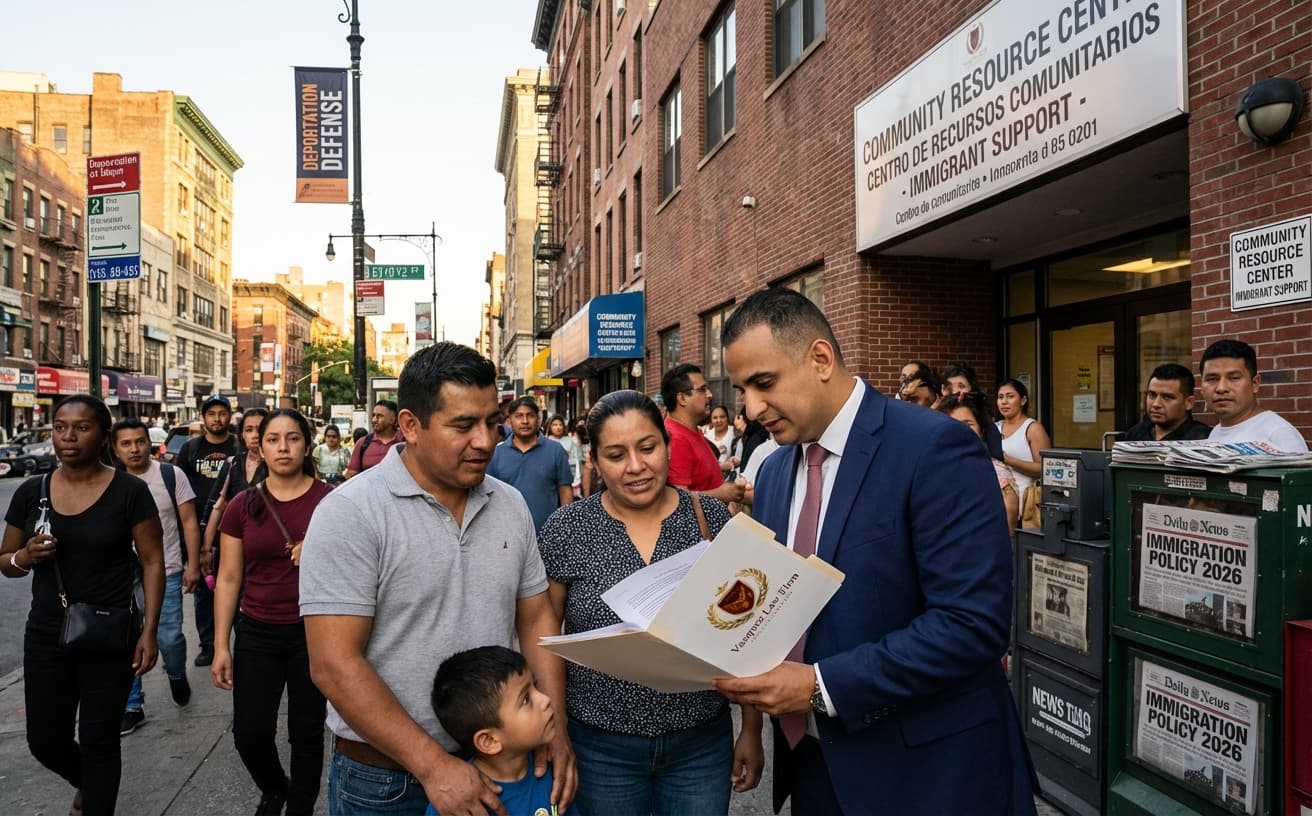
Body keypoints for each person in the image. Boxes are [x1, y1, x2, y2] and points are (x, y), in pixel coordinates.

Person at [714, 288, 1035, 815]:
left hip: (926, 772)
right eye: (741, 388)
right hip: (814, 765)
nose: (750, 408)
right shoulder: (771, 473)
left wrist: (819, 686)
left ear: (820, 358)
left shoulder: (932, 447)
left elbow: (972, 624)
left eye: (763, 383)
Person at [299, 341, 574, 816]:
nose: (487, 440)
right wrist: (432, 767)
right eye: (464, 425)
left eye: (492, 421)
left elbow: (535, 620)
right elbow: (333, 664)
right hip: (384, 782)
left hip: (506, 770)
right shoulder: (351, 513)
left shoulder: (509, 505)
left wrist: (556, 730)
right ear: (410, 426)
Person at [537, 390, 763, 814]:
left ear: (667, 444)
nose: (636, 467)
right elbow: (542, 633)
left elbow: (742, 627)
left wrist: (751, 727)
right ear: (595, 460)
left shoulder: (708, 518)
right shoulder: (566, 528)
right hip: (600, 746)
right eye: (616, 454)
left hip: (700, 741)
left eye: (647, 447)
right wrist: (557, 732)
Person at [1, 395, 165, 816]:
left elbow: (151, 560)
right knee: (46, 741)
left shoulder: (129, 491)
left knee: (99, 741)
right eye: (59, 427)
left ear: (104, 436)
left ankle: (95, 802)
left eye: (82, 427)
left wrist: (149, 631)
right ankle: (88, 784)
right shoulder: (31, 492)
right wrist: (26, 557)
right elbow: (6, 562)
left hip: (109, 631)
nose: (68, 437)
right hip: (47, 633)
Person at [212, 409, 332, 816]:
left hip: (313, 633)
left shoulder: (332, 501)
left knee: (306, 732)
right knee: (250, 733)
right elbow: (228, 577)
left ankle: (299, 807)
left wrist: (318, 550)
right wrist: (220, 645)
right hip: (257, 632)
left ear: (307, 444)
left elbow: (360, 568)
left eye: (293, 438)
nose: (284, 447)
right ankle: (275, 787)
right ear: (258, 446)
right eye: (274, 439)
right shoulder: (241, 506)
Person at [111, 418, 203, 737]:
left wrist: (194, 563)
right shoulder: (108, 481)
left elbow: (189, 520)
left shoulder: (169, 474)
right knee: (127, 638)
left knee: (168, 637)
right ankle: (132, 705)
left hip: (167, 570)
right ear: (115, 448)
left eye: (139, 441)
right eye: (126, 443)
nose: (134, 449)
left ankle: (176, 673)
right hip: (120, 577)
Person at [428, 646, 563, 816]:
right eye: (526, 699)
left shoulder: (554, 773)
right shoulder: (458, 801)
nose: (545, 699)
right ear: (489, 741)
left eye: (535, 686)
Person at [177, 394, 238, 667]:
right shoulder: (190, 450)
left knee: (237, 586)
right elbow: (176, 489)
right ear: (203, 418)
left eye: (222, 413)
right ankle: (208, 644)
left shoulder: (239, 447)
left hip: (235, 530)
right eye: (211, 413)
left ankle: (239, 642)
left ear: (229, 416)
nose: (217, 418)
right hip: (199, 531)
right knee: (204, 590)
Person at [660, 364, 746, 505]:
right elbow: (678, 501)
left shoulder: (692, 430)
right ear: (682, 399)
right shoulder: (675, 438)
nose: (710, 395)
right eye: (702, 390)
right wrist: (723, 493)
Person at [1201, 338, 1308, 452]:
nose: (1221, 388)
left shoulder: (1278, 434)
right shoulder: (1217, 431)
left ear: (1255, 383)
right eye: (1212, 379)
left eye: (1234, 378)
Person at [200, 409, 270, 578]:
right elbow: (218, 505)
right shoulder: (233, 464)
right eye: (249, 430)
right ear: (242, 435)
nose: (255, 435)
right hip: (233, 547)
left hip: (266, 549)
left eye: (260, 429)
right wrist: (206, 548)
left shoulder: (277, 465)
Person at [488, 397, 574, 533]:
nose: (525, 421)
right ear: (510, 421)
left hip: (548, 534)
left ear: (538, 419)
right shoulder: (496, 453)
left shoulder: (555, 450)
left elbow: (565, 491)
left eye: (530, 416)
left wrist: (564, 527)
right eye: (519, 416)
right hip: (508, 534)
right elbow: (489, 495)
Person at [937, 392, 1020, 531]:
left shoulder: (996, 470)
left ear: (982, 430)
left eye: (968, 424)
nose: (960, 430)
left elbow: (1008, 518)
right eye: (951, 424)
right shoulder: (931, 467)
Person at [1122, 363, 1212, 442]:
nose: (1156, 404)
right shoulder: (1136, 433)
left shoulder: (1203, 439)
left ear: (1189, 403)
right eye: (1152, 395)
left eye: (1167, 397)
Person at [940, 362, 1006, 461]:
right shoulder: (935, 416)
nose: (955, 392)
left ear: (972, 388)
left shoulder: (984, 420)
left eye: (961, 386)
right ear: (943, 390)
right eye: (950, 387)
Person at [996, 378, 1051, 494]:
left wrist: (1009, 460)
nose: (1004, 401)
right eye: (1000, 397)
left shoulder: (1032, 428)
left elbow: (1045, 469)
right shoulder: (995, 427)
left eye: (1010, 396)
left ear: (1023, 400)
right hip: (998, 499)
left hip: (1025, 501)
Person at [344, 400, 403, 479]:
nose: (374, 420)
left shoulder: (404, 441)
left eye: (379, 416)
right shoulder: (363, 443)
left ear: (392, 420)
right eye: (373, 415)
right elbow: (352, 474)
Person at [547, 415, 585, 500]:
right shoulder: (547, 441)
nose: (558, 427)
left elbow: (576, 459)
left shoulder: (570, 441)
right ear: (550, 427)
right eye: (555, 425)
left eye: (560, 425)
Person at [703, 404, 738, 478]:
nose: (719, 420)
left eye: (722, 417)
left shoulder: (735, 434)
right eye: (715, 418)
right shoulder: (706, 437)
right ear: (711, 420)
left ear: (727, 418)